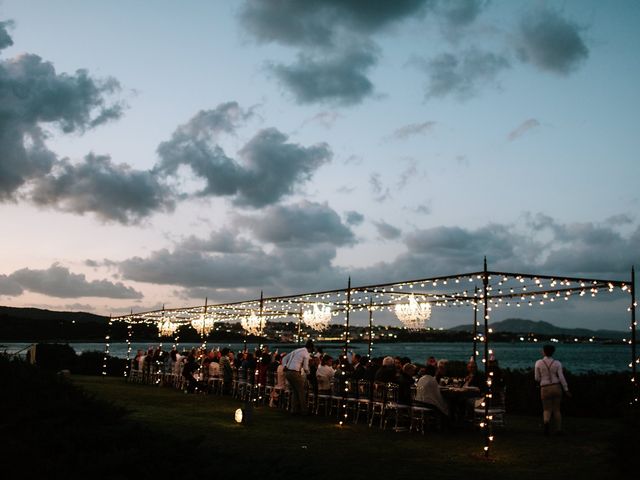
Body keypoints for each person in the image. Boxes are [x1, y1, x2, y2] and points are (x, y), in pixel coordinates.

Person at [535, 344, 571, 435]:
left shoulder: (538, 363)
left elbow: (537, 378)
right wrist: (566, 389)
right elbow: (561, 377)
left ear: (544, 351)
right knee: (557, 409)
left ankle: (546, 423)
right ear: (553, 352)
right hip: (556, 387)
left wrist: (542, 379)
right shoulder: (557, 363)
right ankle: (558, 430)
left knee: (546, 409)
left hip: (545, 388)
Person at [283, 339, 314, 415]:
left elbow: (284, 358)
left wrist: (285, 366)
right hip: (294, 372)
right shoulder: (306, 353)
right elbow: (306, 367)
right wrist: (309, 373)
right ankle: (304, 411)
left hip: (287, 372)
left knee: (295, 391)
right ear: (310, 348)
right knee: (301, 392)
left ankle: (294, 410)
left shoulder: (296, 350)